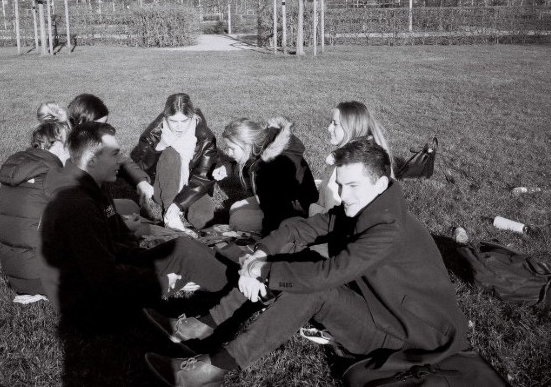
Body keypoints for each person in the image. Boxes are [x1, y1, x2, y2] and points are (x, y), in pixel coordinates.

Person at [144, 138, 469, 387]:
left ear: (380, 183)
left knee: (311, 288)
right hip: (381, 307)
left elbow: (330, 273)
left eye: (353, 185)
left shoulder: (387, 228)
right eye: (340, 185)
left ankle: (212, 368)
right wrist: (260, 254)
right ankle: (208, 323)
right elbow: (304, 228)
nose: (343, 195)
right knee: (291, 252)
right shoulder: (368, 207)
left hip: (406, 335)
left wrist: (263, 271)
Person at [37, 122, 232, 330]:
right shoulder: (77, 204)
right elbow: (103, 277)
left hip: (107, 277)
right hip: (88, 304)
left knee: (184, 247)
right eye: (114, 155)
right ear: (91, 161)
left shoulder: (93, 186)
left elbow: (115, 246)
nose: (120, 161)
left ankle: (238, 285)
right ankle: (243, 297)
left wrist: (150, 257)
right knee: (184, 258)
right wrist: (163, 282)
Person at [0, 119, 70, 303]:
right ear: (57, 144)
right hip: (43, 277)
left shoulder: (21, 168)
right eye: (70, 143)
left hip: (16, 274)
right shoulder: (52, 175)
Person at [213, 117, 318, 236]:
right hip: (278, 203)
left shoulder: (271, 166)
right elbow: (250, 164)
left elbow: (276, 213)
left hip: (296, 212)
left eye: (232, 148)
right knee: (234, 208)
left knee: (236, 219)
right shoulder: (262, 146)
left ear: (247, 145)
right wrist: (228, 168)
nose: (228, 153)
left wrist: (265, 243)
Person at [129, 93, 218, 231]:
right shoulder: (154, 132)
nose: (179, 127)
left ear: (192, 116)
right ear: (165, 117)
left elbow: (203, 177)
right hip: (163, 186)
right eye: (173, 121)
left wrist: (179, 205)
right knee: (170, 153)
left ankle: (176, 208)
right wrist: (157, 148)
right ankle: (170, 214)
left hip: (192, 187)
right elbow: (139, 170)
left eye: (184, 121)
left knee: (204, 219)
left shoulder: (205, 136)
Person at [67, 93, 152, 217]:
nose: (103, 129)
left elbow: (121, 159)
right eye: (98, 125)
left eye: (105, 123)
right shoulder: (66, 151)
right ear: (82, 124)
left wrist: (140, 180)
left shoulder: (91, 139)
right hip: (83, 209)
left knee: (131, 206)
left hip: (97, 202)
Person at [309, 101, 393, 217]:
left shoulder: (343, 170)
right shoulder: (362, 162)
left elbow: (330, 219)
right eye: (330, 122)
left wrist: (312, 208)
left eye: (335, 124)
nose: (329, 128)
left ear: (351, 128)